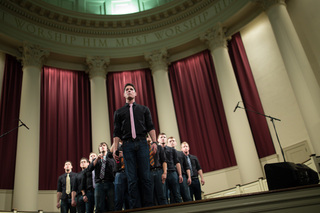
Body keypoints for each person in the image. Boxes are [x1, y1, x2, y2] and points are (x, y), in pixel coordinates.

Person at [112, 83, 158, 209]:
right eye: (127, 90)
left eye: (131, 89)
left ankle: (149, 207)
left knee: (146, 177)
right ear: (124, 94)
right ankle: (135, 208)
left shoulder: (144, 109)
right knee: (131, 179)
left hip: (143, 143)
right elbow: (116, 132)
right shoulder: (119, 112)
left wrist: (154, 142)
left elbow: (150, 126)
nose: (129, 91)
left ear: (135, 93)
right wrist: (115, 148)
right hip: (127, 146)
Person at [159, 133, 183, 204]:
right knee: (164, 195)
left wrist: (180, 174)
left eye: (164, 137)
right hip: (162, 174)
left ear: (166, 139)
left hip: (172, 173)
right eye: (161, 137)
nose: (163, 138)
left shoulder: (172, 150)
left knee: (177, 194)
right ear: (158, 140)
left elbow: (177, 162)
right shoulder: (157, 150)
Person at [167, 137, 192, 202]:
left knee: (186, 196)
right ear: (167, 143)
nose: (172, 142)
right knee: (174, 197)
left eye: (173, 141)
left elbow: (187, 166)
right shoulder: (165, 153)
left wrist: (189, 177)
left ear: (176, 143)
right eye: (170, 141)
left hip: (182, 176)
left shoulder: (181, 153)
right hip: (172, 176)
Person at [93, 142, 115, 212]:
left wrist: (105, 158)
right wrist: (97, 158)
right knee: (99, 207)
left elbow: (113, 168)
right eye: (100, 146)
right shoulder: (96, 160)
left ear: (107, 148)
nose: (102, 147)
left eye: (104, 145)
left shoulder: (111, 159)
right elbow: (90, 168)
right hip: (99, 184)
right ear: (99, 149)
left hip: (110, 183)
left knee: (111, 206)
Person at [147, 134, 168, 206]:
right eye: (146, 136)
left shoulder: (159, 147)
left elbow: (164, 161)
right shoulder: (142, 149)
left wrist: (165, 173)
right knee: (150, 197)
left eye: (148, 136)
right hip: (148, 173)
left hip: (158, 171)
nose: (147, 138)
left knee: (162, 196)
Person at [111, 141, 130, 211]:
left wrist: (124, 155)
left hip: (129, 172)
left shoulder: (130, 145)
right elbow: (109, 155)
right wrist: (115, 142)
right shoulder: (116, 147)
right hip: (119, 173)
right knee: (118, 199)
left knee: (129, 198)